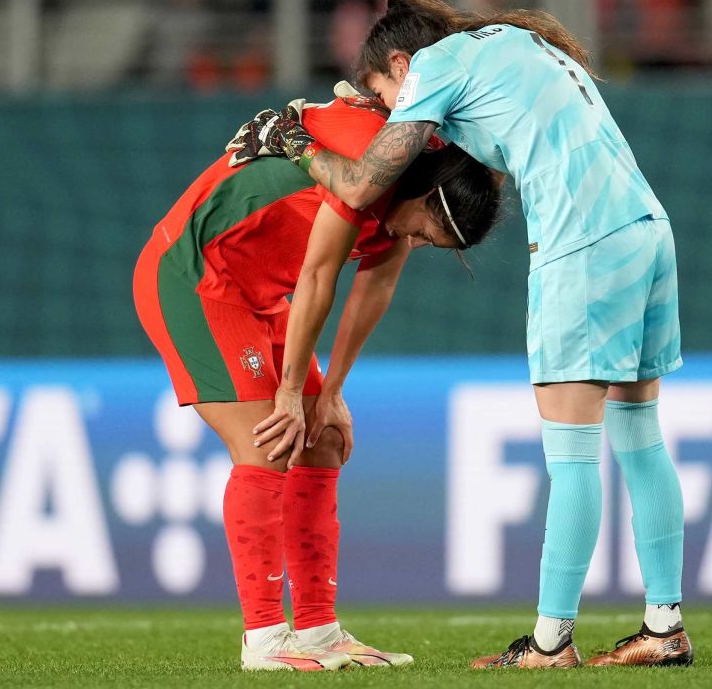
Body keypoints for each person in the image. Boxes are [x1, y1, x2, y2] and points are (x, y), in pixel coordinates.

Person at [228, 0, 690, 669]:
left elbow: (357, 188)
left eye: (384, 92)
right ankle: (664, 627)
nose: (390, 108)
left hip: (584, 246)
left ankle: (550, 643)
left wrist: (287, 138)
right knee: (639, 438)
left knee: (571, 455)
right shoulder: (516, 43)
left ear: (400, 61)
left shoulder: (437, 68)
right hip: (647, 232)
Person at [134, 87, 502, 672]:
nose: (419, 243)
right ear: (429, 195)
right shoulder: (369, 171)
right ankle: (263, 639)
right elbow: (319, 277)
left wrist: (330, 395)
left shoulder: (398, 208)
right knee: (269, 439)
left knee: (322, 440)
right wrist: (289, 394)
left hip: (264, 296)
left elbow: (373, 287)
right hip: (197, 277)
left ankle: (317, 630)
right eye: (430, 233)